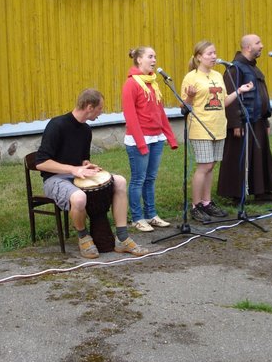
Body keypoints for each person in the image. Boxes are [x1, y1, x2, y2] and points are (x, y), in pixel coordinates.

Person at [36, 88, 149, 259]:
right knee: (79, 198)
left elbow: (82, 159)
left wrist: (86, 165)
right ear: (89, 106)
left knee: (119, 181)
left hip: (77, 175)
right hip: (54, 179)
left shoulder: (85, 130)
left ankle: (122, 237)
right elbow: (41, 163)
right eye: (100, 108)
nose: (101, 113)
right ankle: (83, 237)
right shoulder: (57, 125)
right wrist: (73, 169)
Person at [181, 41, 254, 222]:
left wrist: (239, 90)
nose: (214, 56)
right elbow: (184, 107)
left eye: (215, 53)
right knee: (203, 166)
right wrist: (190, 96)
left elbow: (223, 102)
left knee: (212, 166)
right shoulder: (191, 77)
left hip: (218, 126)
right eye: (209, 53)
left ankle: (207, 202)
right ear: (199, 57)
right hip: (201, 127)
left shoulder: (218, 75)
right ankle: (195, 205)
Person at [217, 34, 272, 203]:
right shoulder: (235, 68)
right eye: (258, 43)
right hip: (242, 121)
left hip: (257, 119)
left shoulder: (253, 67)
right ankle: (236, 194)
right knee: (239, 157)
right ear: (247, 47)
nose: (262, 46)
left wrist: (265, 119)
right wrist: (235, 123)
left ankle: (261, 190)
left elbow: (260, 95)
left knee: (259, 156)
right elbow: (230, 96)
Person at [121, 46, 179, 232]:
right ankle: (137, 218)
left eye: (155, 56)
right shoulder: (131, 84)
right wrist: (141, 143)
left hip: (156, 138)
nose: (154, 60)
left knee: (150, 179)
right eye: (150, 56)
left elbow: (160, 113)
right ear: (139, 60)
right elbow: (131, 117)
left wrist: (170, 138)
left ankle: (151, 214)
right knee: (139, 179)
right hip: (140, 139)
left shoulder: (153, 83)